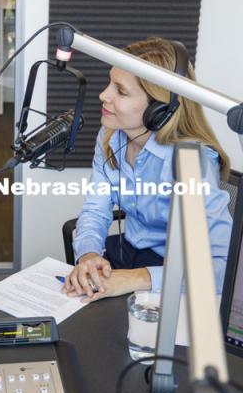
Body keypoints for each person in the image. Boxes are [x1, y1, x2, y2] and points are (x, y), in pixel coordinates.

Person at [63, 37, 232, 302]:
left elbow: (222, 267)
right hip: (128, 255)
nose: (103, 95)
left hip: (173, 276)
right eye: (110, 83)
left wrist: (136, 278)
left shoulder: (190, 162)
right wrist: (89, 255)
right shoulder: (111, 137)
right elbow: (96, 209)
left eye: (121, 91)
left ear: (159, 108)